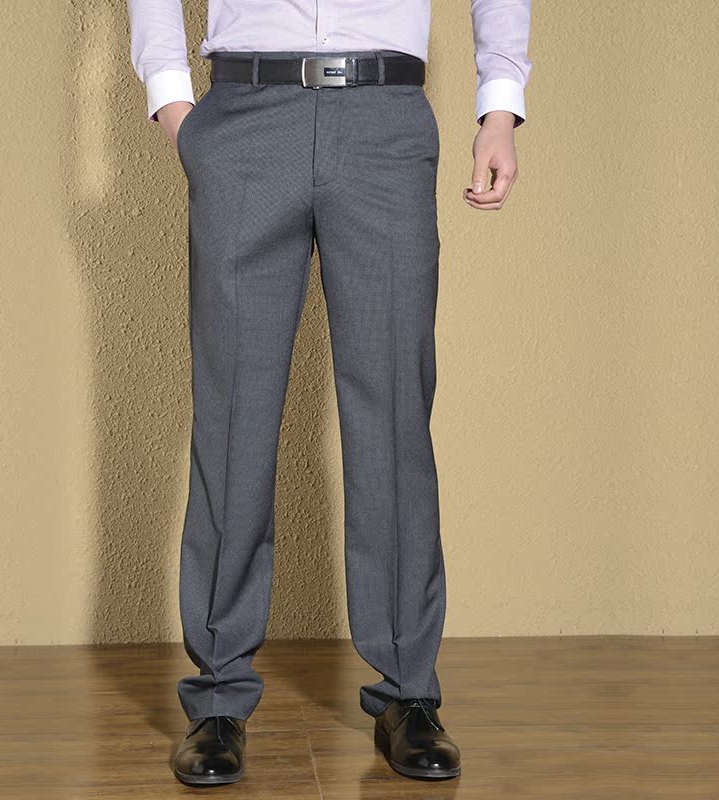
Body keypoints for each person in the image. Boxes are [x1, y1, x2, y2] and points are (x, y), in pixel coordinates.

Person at [126, 0, 532, 785]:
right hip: (244, 116)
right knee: (232, 415)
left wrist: (499, 106)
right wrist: (173, 101)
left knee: (394, 415)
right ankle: (218, 697)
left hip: (384, 119)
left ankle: (408, 693)